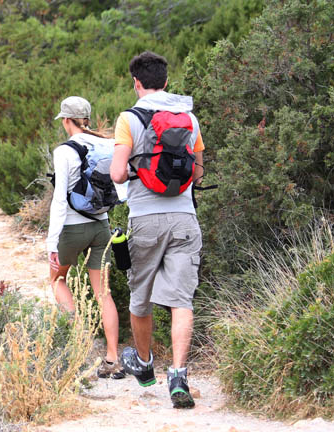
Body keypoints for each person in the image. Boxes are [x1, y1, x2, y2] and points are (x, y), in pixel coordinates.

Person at [110, 51, 205, 409]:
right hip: (184, 218)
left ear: (136, 82)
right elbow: (197, 173)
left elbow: (118, 173)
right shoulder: (190, 119)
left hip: (145, 219)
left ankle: (146, 364)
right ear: (166, 81)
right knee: (181, 301)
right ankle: (179, 376)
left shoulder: (127, 119)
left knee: (141, 297)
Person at [47, 96, 125, 380]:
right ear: (87, 118)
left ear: (67, 120)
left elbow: (58, 201)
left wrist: (51, 243)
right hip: (101, 226)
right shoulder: (107, 144)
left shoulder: (64, 151)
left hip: (71, 228)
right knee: (103, 292)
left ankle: (81, 342)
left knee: (57, 280)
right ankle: (113, 359)